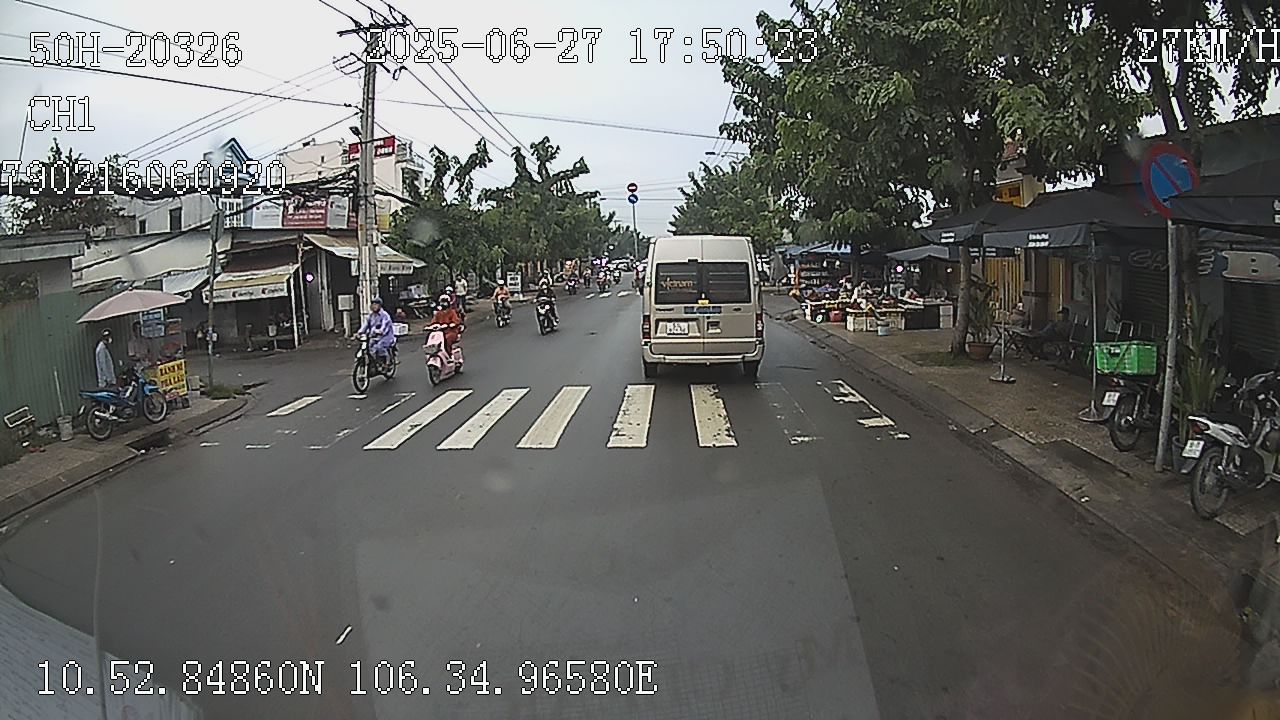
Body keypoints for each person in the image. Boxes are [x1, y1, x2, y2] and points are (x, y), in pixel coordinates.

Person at [358, 297, 396, 362]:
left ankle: (386, 360)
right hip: (374, 337)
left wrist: (379, 331)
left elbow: (384, 327)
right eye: (373, 304)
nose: (374, 306)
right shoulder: (371, 315)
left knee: (379, 347)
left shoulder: (385, 315)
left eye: (376, 304)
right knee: (368, 347)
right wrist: (359, 332)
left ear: (380, 306)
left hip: (385, 337)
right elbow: (365, 325)